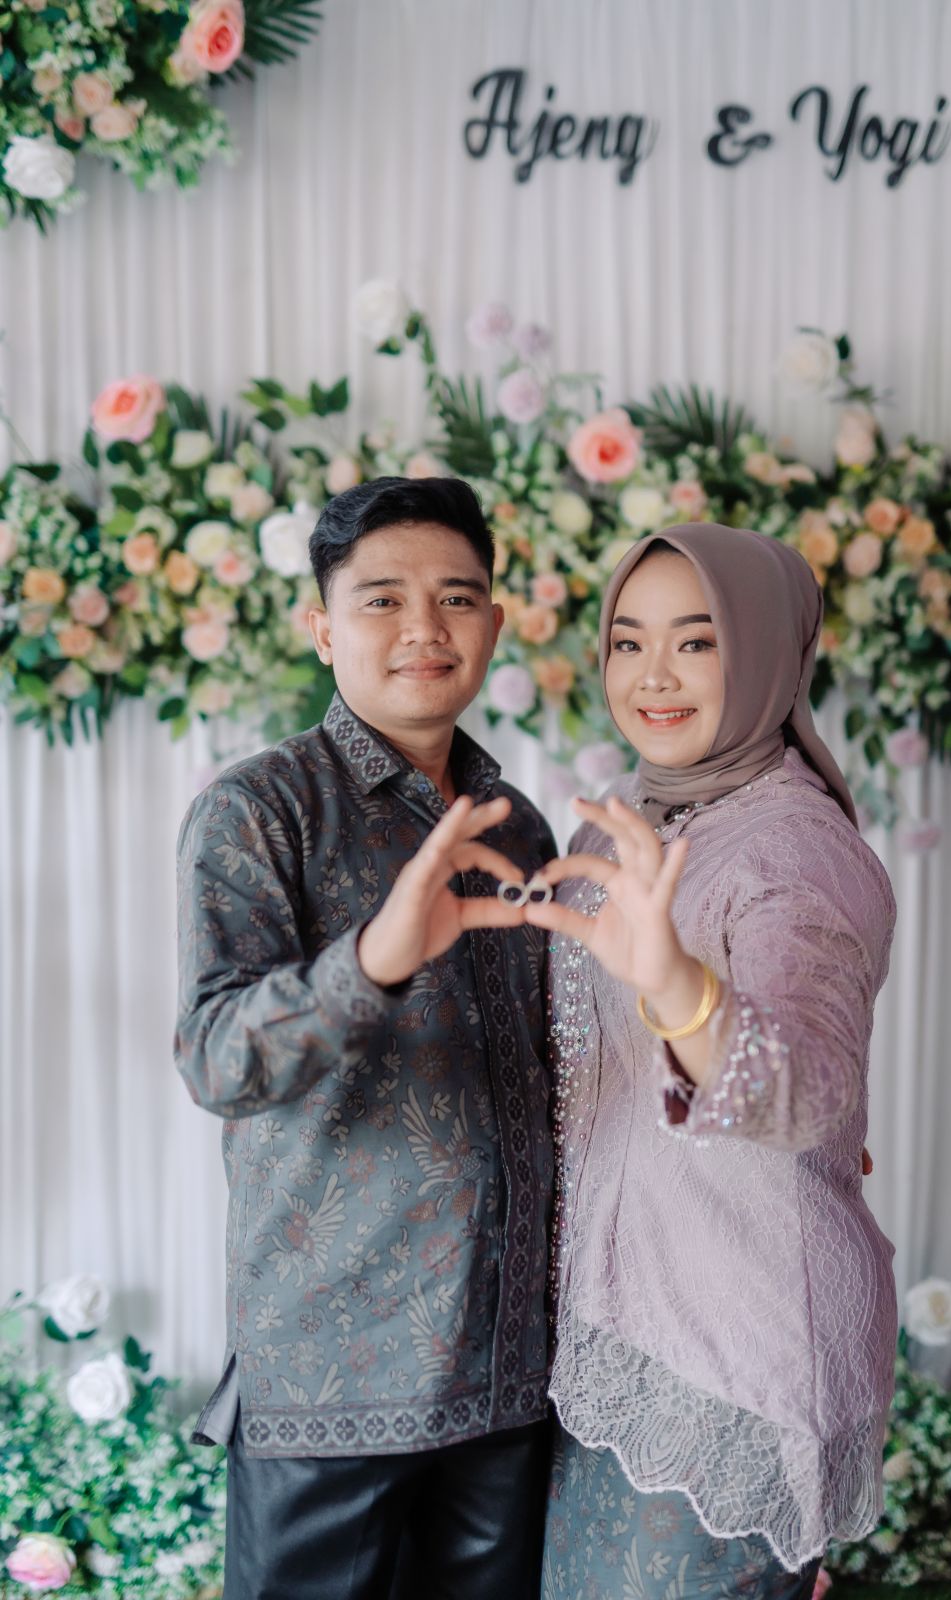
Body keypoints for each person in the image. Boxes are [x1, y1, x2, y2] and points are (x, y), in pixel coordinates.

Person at [174, 477, 556, 1600]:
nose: (424, 627)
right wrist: (375, 960)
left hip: (507, 1371)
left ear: (495, 623)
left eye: (457, 598)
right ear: (322, 626)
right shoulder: (260, 809)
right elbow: (217, 1057)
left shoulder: (518, 828)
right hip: (330, 1370)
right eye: (383, 599)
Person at [525, 525, 899, 1599]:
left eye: (696, 642)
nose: (653, 676)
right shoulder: (619, 831)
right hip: (612, 1326)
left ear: (769, 653)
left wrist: (679, 984)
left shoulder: (796, 849)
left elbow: (808, 1084)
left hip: (731, 1353)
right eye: (628, 641)